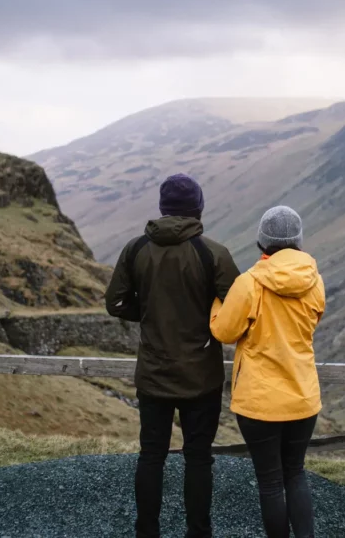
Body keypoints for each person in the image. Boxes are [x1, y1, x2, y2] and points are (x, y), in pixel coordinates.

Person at [106, 173, 241, 538]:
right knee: (199, 458)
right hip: (202, 376)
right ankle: (199, 532)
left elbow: (116, 303)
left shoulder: (135, 249)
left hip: (153, 374)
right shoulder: (213, 253)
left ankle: (146, 532)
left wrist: (147, 312)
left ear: (163, 207)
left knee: (151, 456)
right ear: (197, 207)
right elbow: (239, 308)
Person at [210, 205, 325, 538]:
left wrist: (217, 303)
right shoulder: (315, 281)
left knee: (271, 481)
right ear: (298, 241)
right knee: (296, 473)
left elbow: (224, 332)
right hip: (303, 397)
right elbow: (313, 319)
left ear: (263, 242)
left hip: (260, 403)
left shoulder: (250, 284)